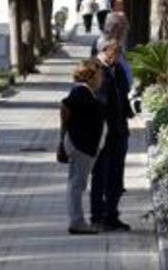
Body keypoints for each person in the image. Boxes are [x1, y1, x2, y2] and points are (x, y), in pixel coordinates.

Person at [89, 38, 133, 231]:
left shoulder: (117, 68)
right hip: (101, 131)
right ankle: (98, 216)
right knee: (101, 174)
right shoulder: (94, 68)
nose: (119, 53)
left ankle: (112, 215)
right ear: (104, 50)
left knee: (117, 175)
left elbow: (124, 89)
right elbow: (96, 98)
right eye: (115, 50)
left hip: (119, 128)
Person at [60, 61, 105, 235]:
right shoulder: (80, 92)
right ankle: (77, 221)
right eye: (99, 76)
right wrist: (64, 133)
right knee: (77, 184)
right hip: (81, 144)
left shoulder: (87, 92)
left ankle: (77, 220)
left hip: (84, 144)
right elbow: (65, 106)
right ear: (91, 77)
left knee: (77, 183)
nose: (101, 80)